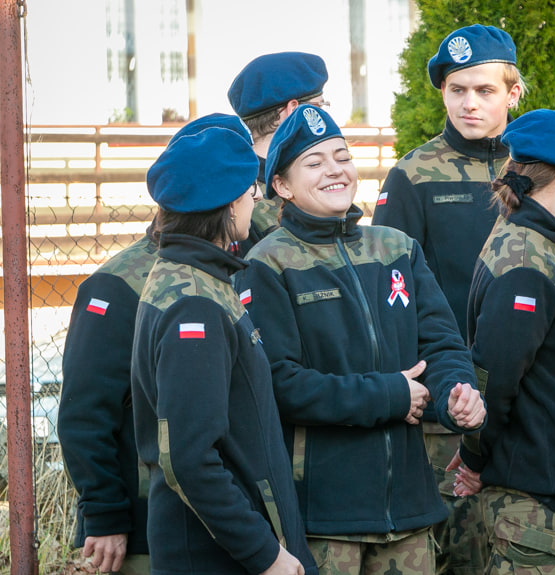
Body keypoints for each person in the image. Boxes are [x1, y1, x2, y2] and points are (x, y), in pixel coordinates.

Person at [371, 25, 555, 574]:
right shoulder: (413, 175)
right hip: (449, 412)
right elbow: (388, 297)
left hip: (538, 406)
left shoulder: (543, 166)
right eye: (456, 90)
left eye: (485, 90)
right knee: (456, 554)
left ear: (514, 92)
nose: (469, 103)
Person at [234, 105, 487, 575]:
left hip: (409, 514)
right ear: (282, 186)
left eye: (342, 157)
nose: (335, 170)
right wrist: (390, 394)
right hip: (326, 520)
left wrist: (458, 393)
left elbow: (442, 345)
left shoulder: (396, 248)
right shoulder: (267, 264)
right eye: (314, 162)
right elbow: (279, 382)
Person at [58, 113, 258, 575]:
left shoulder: (234, 270)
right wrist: (104, 512)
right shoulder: (117, 284)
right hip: (145, 524)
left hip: (226, 519)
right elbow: (85, 412)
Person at [130, 124, 316, 575]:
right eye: (250, 190)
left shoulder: (195, 276)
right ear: (229, 205)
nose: (256, 199)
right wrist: (265, 555)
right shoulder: (194, 302)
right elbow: (191, 459)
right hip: (217, 556)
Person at [449, 108, 555, 575]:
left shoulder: (537, 238)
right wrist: (474, 455)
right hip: (539, 500)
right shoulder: (527, 258)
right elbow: (495, 375)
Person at [228, 51, 329, 253]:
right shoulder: (247, 199)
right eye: (320, 106)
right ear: (293, 111)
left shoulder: (235, 186)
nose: (325, 117)